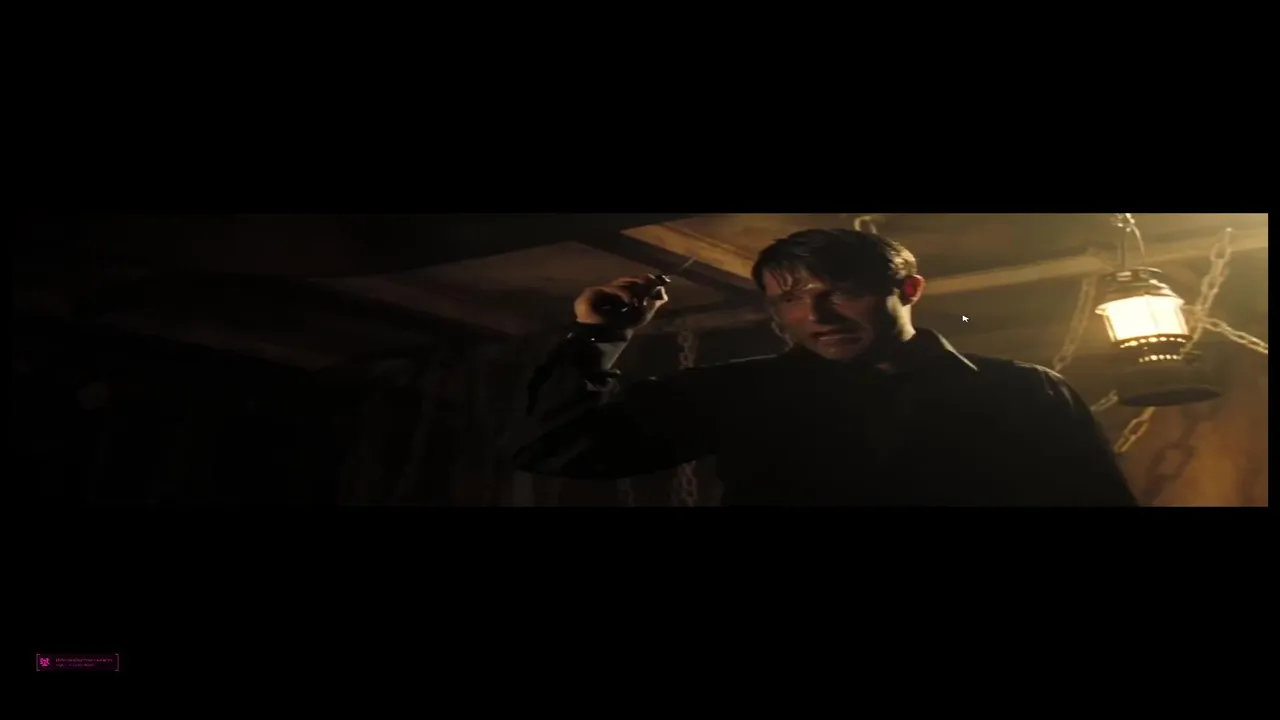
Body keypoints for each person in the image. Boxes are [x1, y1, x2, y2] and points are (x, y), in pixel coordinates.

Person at [503, 228, 1138, 506]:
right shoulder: (741, 392)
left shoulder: (1023, 393)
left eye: (842, 292)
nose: (815, 315)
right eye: (789, 300)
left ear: (908, 290)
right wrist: (600, 336)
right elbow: (558, 446)